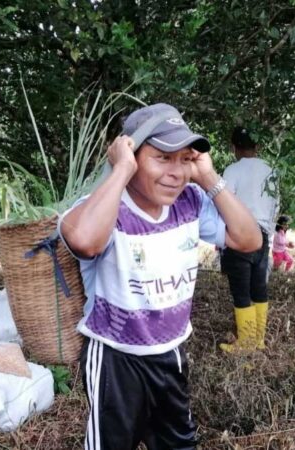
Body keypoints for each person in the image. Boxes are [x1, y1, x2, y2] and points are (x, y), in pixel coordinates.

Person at [58, 103, 261, 450]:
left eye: (184, 159)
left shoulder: (191, 202)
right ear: (133, 156)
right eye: (162, 158)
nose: (176, 172)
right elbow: (85, 241)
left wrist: (209, 178)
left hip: (170, 353)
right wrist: (121, 170)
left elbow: (248, 239)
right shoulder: (104, 207)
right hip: (115, 360)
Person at [218, 126, 279, 352]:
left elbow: (223, 201)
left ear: (234, 148)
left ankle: (245, 343)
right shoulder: (271, 169)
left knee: (241, 289)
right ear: (257, 146)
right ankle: (258, 340)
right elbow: (276, 203)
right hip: (262, 234)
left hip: (240, 232)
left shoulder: (232, 170)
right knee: (259, 286)